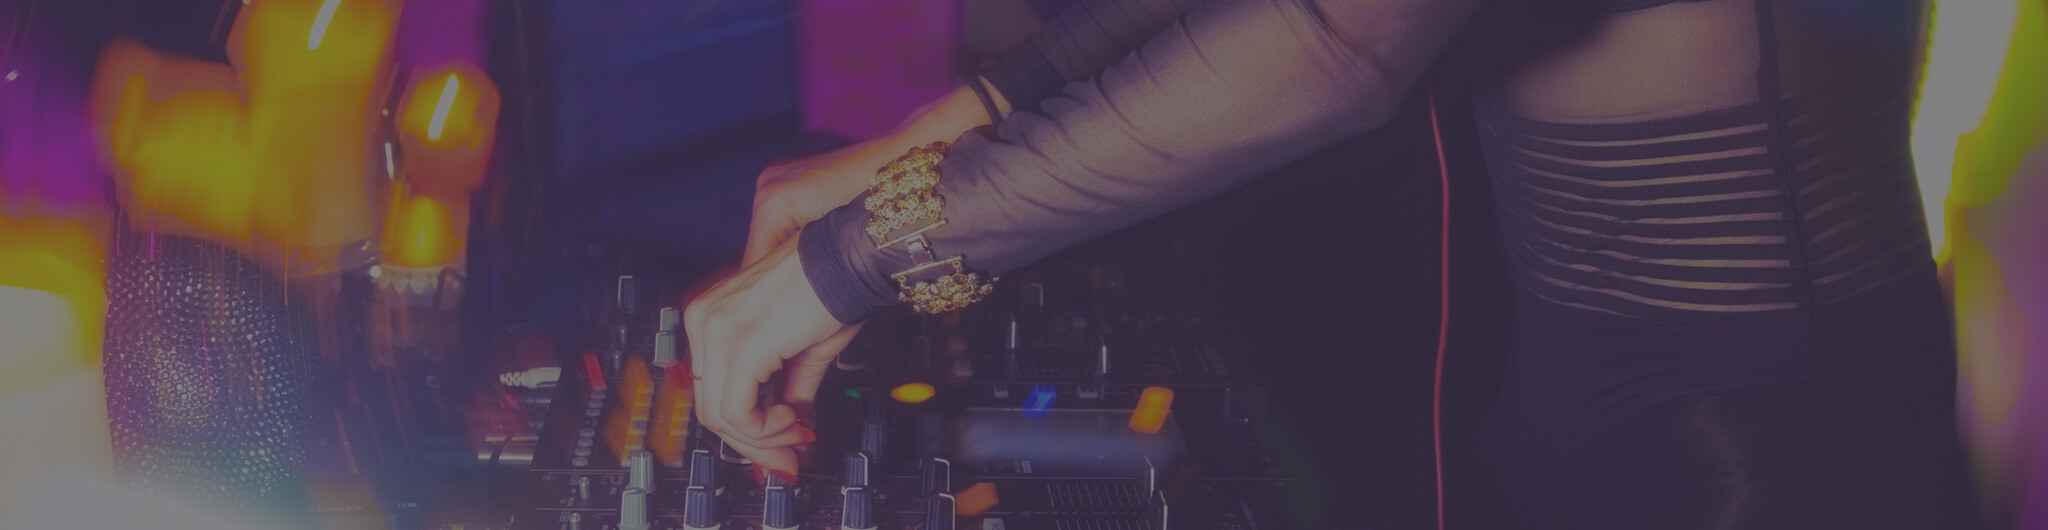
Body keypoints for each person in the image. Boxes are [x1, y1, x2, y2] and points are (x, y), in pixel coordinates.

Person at [683, 0, 1978, 526]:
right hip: (1570, 381)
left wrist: (863, 255)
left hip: (1768, 438)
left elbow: (1335, 42)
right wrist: (945, 124)